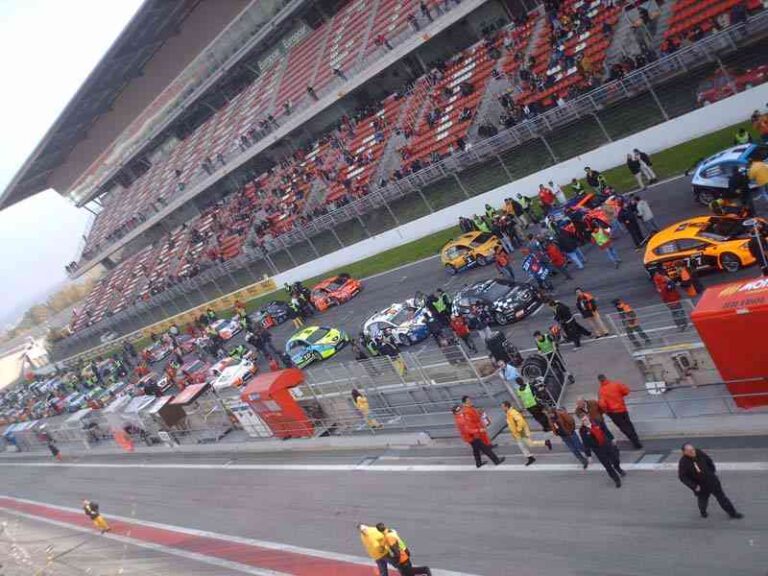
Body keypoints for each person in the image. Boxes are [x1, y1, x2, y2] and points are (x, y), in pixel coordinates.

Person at [678, 443, 743, 519]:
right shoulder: (683, 462)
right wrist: (694, 486)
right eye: (689, 451)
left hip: (711, 481)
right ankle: (703, 511)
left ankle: (733, 513)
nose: (693, 452)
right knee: (703, 500)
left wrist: (712, 471)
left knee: (722, 498)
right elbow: (683, 477)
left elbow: (708, 460)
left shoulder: (699, 452)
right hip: (700, 485)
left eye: (693, 449)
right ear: (684, 452)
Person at [452, 403, 505, 468]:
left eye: (460, 408)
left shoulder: (460, 417)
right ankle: (496, 461)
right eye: (459, 410)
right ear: (456, 412)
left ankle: (478, 463)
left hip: (469, 437)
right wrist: (479, 430)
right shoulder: (461, 420)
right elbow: (468, 430)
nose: (461, 410)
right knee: (485, 449)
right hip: (472, 437)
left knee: (476, 450)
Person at [597, 374, 643, 449]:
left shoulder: (601, 391)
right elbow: (626, 391)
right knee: (629, 424)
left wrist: (606, 411)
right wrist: (620, 396)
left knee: (623, 427)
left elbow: (602, 405)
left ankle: (634, 441)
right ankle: (636, 439)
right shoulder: (616, 384)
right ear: (606, 378)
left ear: (599, 381)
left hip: (613, 413)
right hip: (622, 409)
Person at [579, 415, 625, 487]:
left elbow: (606, 430)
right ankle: (616, 479)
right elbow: (585, 443)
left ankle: (618, 468)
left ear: (588, 418)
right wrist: (589, 455)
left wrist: (612, 438)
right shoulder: (582, 430)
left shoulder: (597, 422)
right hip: (598, 449)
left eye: (585, 419)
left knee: (616, 459)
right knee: (607, 465)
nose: (585, 421)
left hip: (607, 445)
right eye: (583, 421)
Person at [503, 400, 552, 465]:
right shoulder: (508, 413)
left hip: (521, 432)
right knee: (522, 446)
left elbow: (521, 421)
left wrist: (519, 429)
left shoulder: (512, 412)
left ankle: (546, 442)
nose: (502, 408)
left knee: (530, 444)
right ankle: (530, 457)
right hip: (517, 434)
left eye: (503, 406)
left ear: (506, 406)